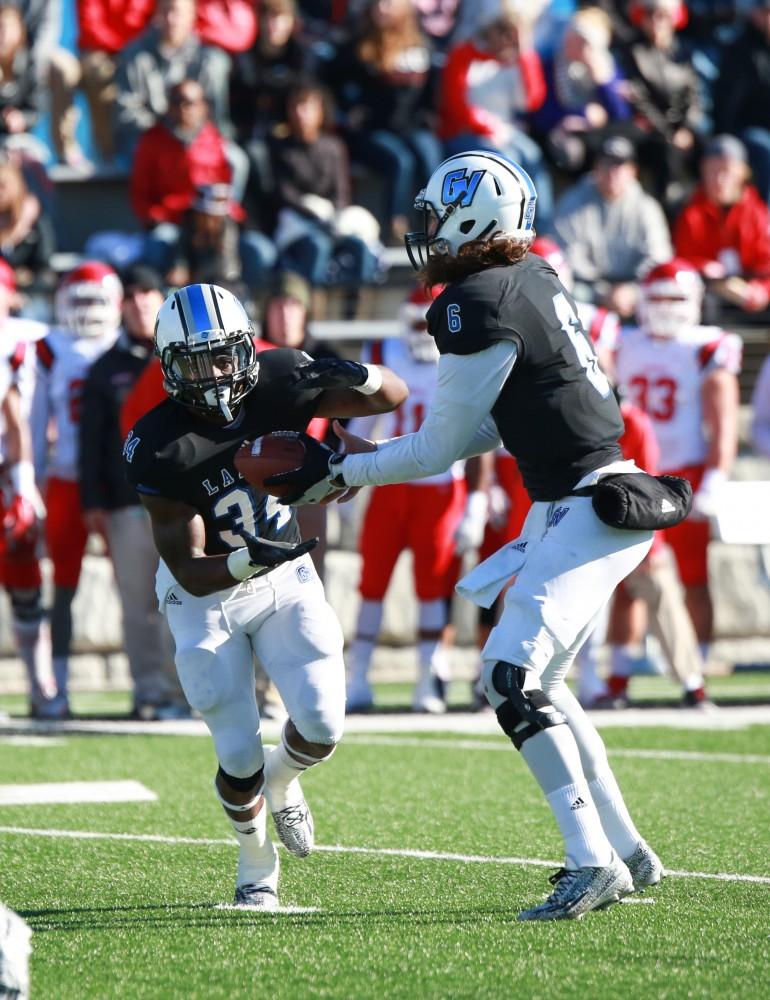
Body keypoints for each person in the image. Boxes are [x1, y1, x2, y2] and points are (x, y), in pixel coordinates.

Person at [271, 150, 667, 920]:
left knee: (510, 682)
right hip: (588, 499)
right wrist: (364, 460)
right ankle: (623, 846)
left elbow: (439, 450)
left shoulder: (471, 304)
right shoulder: (534, 277)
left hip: (587, 508)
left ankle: (592, 862)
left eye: (437, 219)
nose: (427, 236)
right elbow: (502, 421)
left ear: (474, 218)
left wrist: (343, 472)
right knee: (542, 684)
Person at [122, 281, 407, 909]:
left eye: (225, 356)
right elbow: (189, 566)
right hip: (206, 595)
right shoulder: (161, 445)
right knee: (234, 745)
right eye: (198, 363)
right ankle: (256, 866)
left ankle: (284, 784)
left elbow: (394, 395)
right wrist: (250, 556)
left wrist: (360, 373)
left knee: (325, 723)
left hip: (282, 575)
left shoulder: (279, 377)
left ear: (248, 348)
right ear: (169, 368)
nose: (218, 375)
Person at [343, 282, 467, 715]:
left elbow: (484, 427)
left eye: (430, 325)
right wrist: (347, 472)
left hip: (441, 488)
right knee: (372, 584)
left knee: (432, 588)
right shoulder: (383, 349)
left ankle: (430, 677)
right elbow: (360, 423)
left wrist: (479, 498)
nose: (422, 334)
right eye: (416, 324)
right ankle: (357, 677)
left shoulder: (464, 353)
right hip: (390, 483)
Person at [614, 257, 742, 659]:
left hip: (683, 471)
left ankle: (697, 664)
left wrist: (715, 479)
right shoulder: (621, 340)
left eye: (676, 297)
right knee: (626, 579)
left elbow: (724, 420)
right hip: (631, 474)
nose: (667, 307)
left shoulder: (707, 346)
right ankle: (622, 670)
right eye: (659, 297)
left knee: (692, 577)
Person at [78, 264, 190, 721]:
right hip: (128, 504)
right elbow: (93, 440)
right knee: (138, 603)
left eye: (150, 292)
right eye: (133, 295)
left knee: (183, 598)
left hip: (183, 500)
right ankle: (149, 691)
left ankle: (187, 691)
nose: (142, 302)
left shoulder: (185, 355)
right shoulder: (106, 369)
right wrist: (93, 502)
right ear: (120, 305)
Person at [31, 262, 122, 718]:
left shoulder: (124, 346)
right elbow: (33, 418)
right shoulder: (49, 348)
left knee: (142, 586)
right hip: (65, 476)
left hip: (117, 480)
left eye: (95, 300)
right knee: (62, 586)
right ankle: (58, 686)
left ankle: (159, 682)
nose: (87, 311)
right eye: (79, 300)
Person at [0, 256, 53, 718]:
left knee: (25, 585)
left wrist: (21, 485)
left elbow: (14, 417)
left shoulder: (23, 338)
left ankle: (41, 688)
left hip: (5, 478)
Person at [554, 134, 672, 318]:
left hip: (635, 290)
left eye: (620, 165)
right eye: (607, 164)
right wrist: (605, 293)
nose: (613, 172)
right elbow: (566, 255)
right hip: (588, 289)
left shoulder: (647, 208)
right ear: (596, 168)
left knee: (664, 293)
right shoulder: (573, 201)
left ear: (633, 171)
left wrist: (631, 291)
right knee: (565, 292)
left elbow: (658, 258)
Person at [114, 0, 231, 162]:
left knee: (236, 162)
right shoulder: (135, 56)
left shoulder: (209, 60)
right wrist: (166, 132)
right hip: (149, 140)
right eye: (165, 11)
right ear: (156, 14)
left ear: (192, 15)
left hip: (197, 141)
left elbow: (215, 115)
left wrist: (191, 132)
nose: (171, 19)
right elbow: (126, 111)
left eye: (178, 12)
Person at [48, 0, 155, 166]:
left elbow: (143, 24)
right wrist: (122, 47)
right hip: (95, 54)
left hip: (133, 56)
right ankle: (98, 152)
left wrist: (128, 52)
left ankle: (117, 151)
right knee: (98, 70)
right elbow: (91, 28)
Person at [673, 134, 770, 316]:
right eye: (713, 171)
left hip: (749, 292)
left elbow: (767, 263)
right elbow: (681, 261)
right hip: (709, 293)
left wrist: (762, 290)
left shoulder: (757, 213)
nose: (719, 180)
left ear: (742, 173)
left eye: (726, 171)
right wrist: (704, 268)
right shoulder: (690, 213)